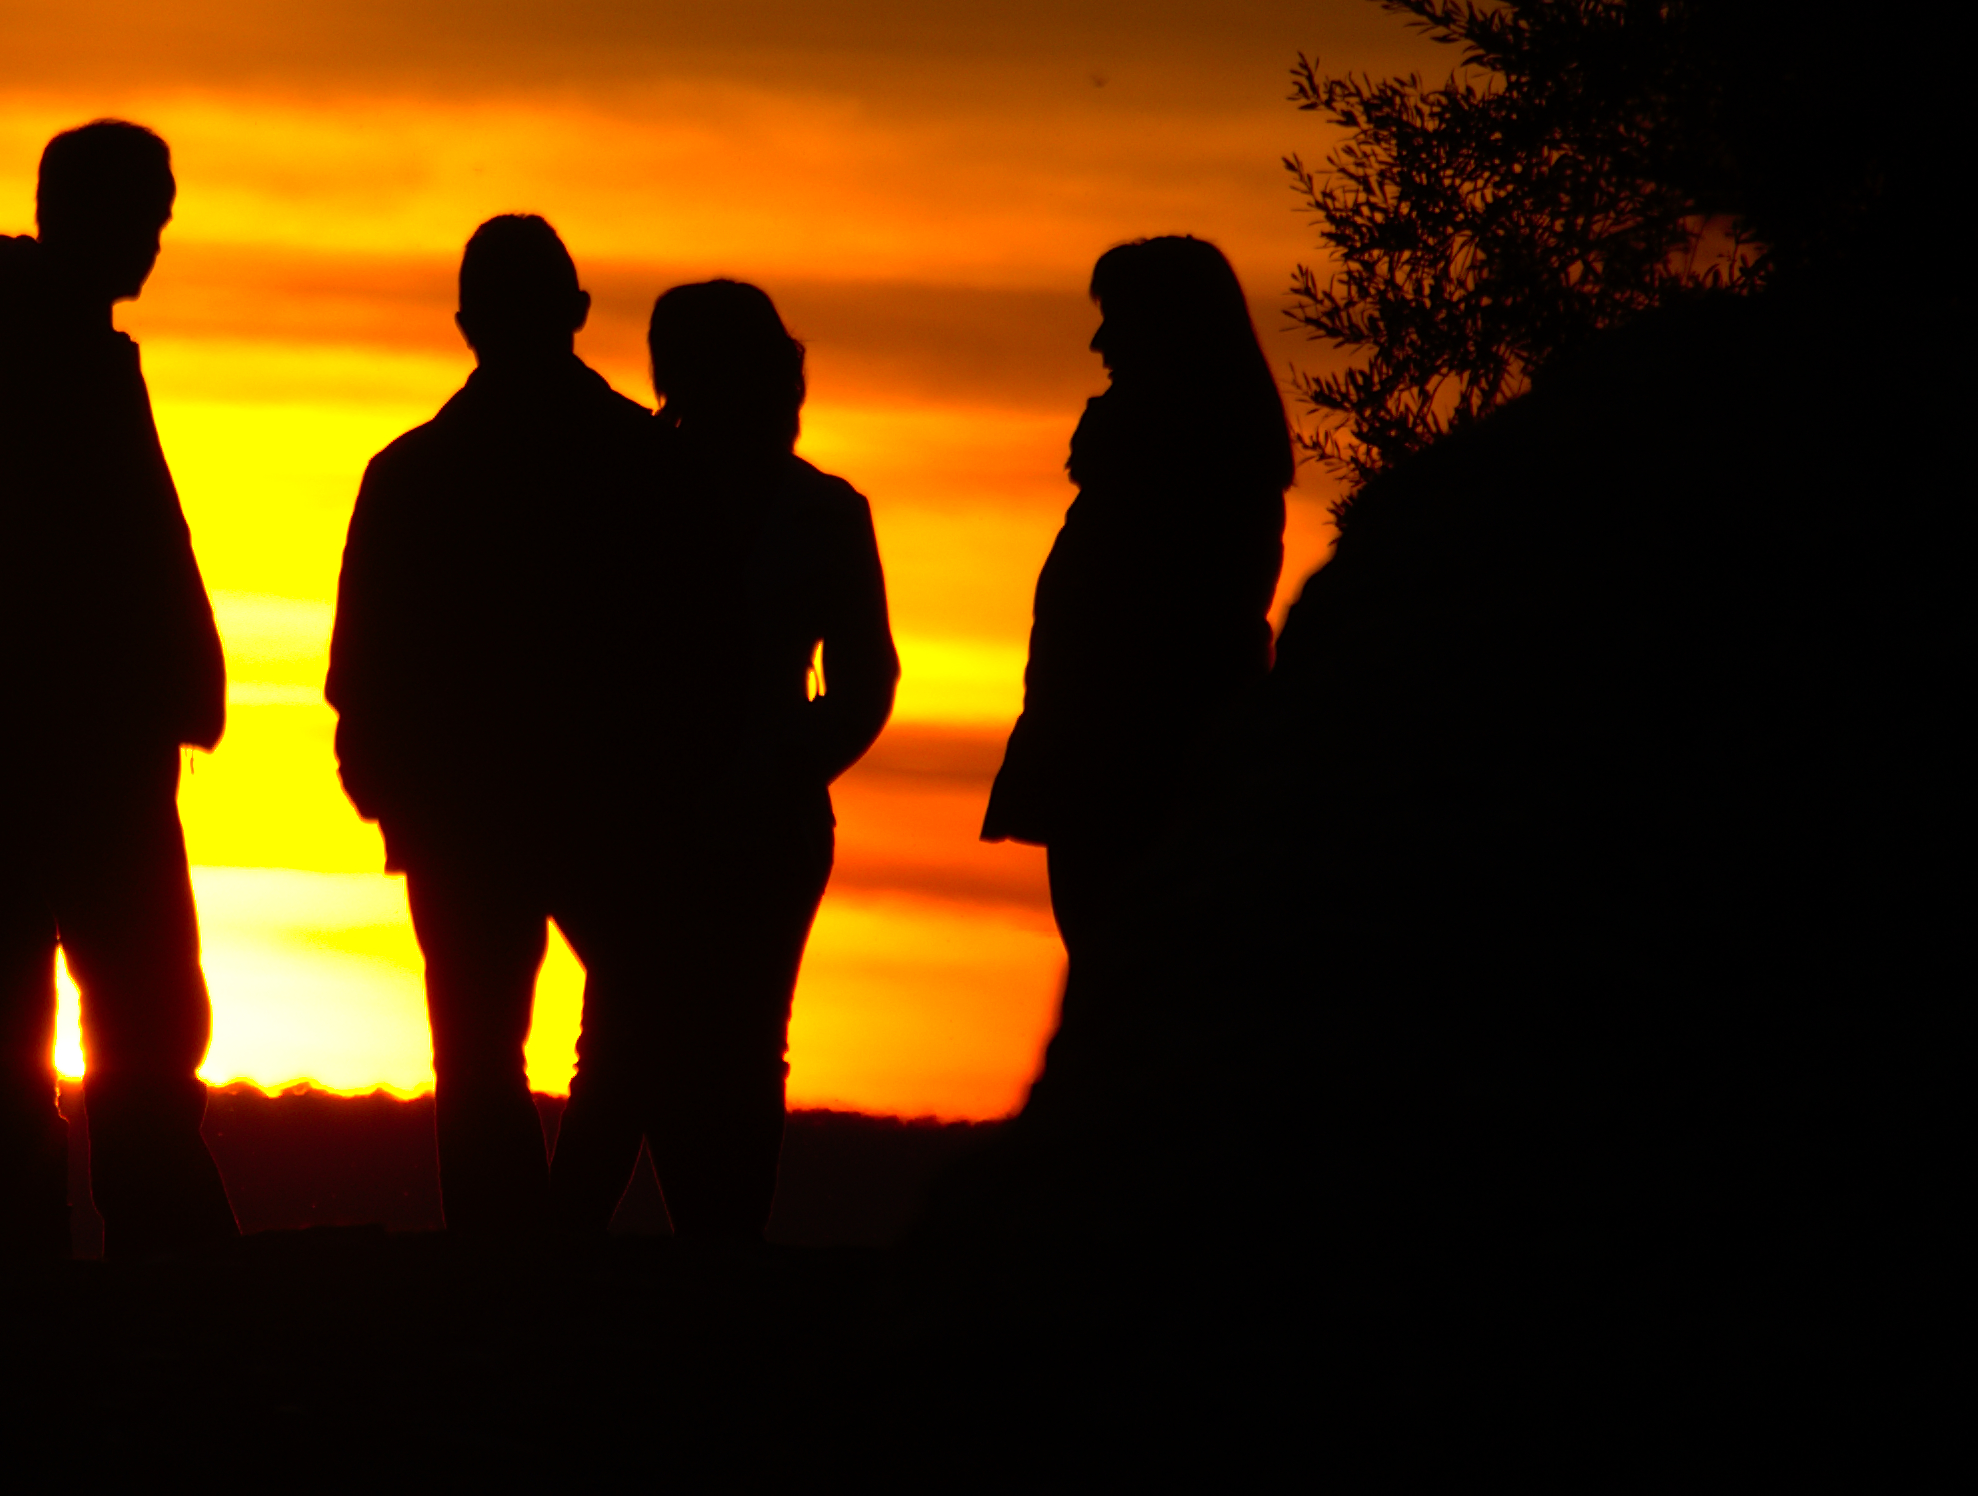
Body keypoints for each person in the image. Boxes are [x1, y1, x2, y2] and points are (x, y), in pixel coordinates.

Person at [0, 118, 242, 1259]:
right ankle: (141, 1225)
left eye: (159, 220)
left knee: (64, 989)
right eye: (141, 217)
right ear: (81, 213)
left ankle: (58, 1217)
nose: (152, 243)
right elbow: (98, 541)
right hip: (75, 716)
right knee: (133, 993)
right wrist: (160, 670)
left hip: (47, 711)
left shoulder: (23, 337)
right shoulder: (47, 349)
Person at [325, 215, 709, 1241]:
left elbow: (359, 669)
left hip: (522, 801)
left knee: (541, 1039)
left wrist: (384, 777)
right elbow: (360, 670)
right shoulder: (644, 461)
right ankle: (556, 1243)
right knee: (623, 1021)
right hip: (568, 799)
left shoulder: (415, 472)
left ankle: (536, 1243)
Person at [544, 278, 898, 1247]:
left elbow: (866, 682)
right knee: (636, 1040)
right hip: (644, 819)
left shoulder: (819, 511)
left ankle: (681, 1250)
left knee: (717, 1043)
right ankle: (630, 1250)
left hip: (757, 823)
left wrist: (781, 764)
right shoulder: (620, 491)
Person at [979, 235, 1296, 973]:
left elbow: (1156, 638)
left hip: (1137, 766)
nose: (1099, 341)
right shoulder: (1162, 469)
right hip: (1112, 757)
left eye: (1117, 317)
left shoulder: (1190, 480)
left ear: (1170, 330)